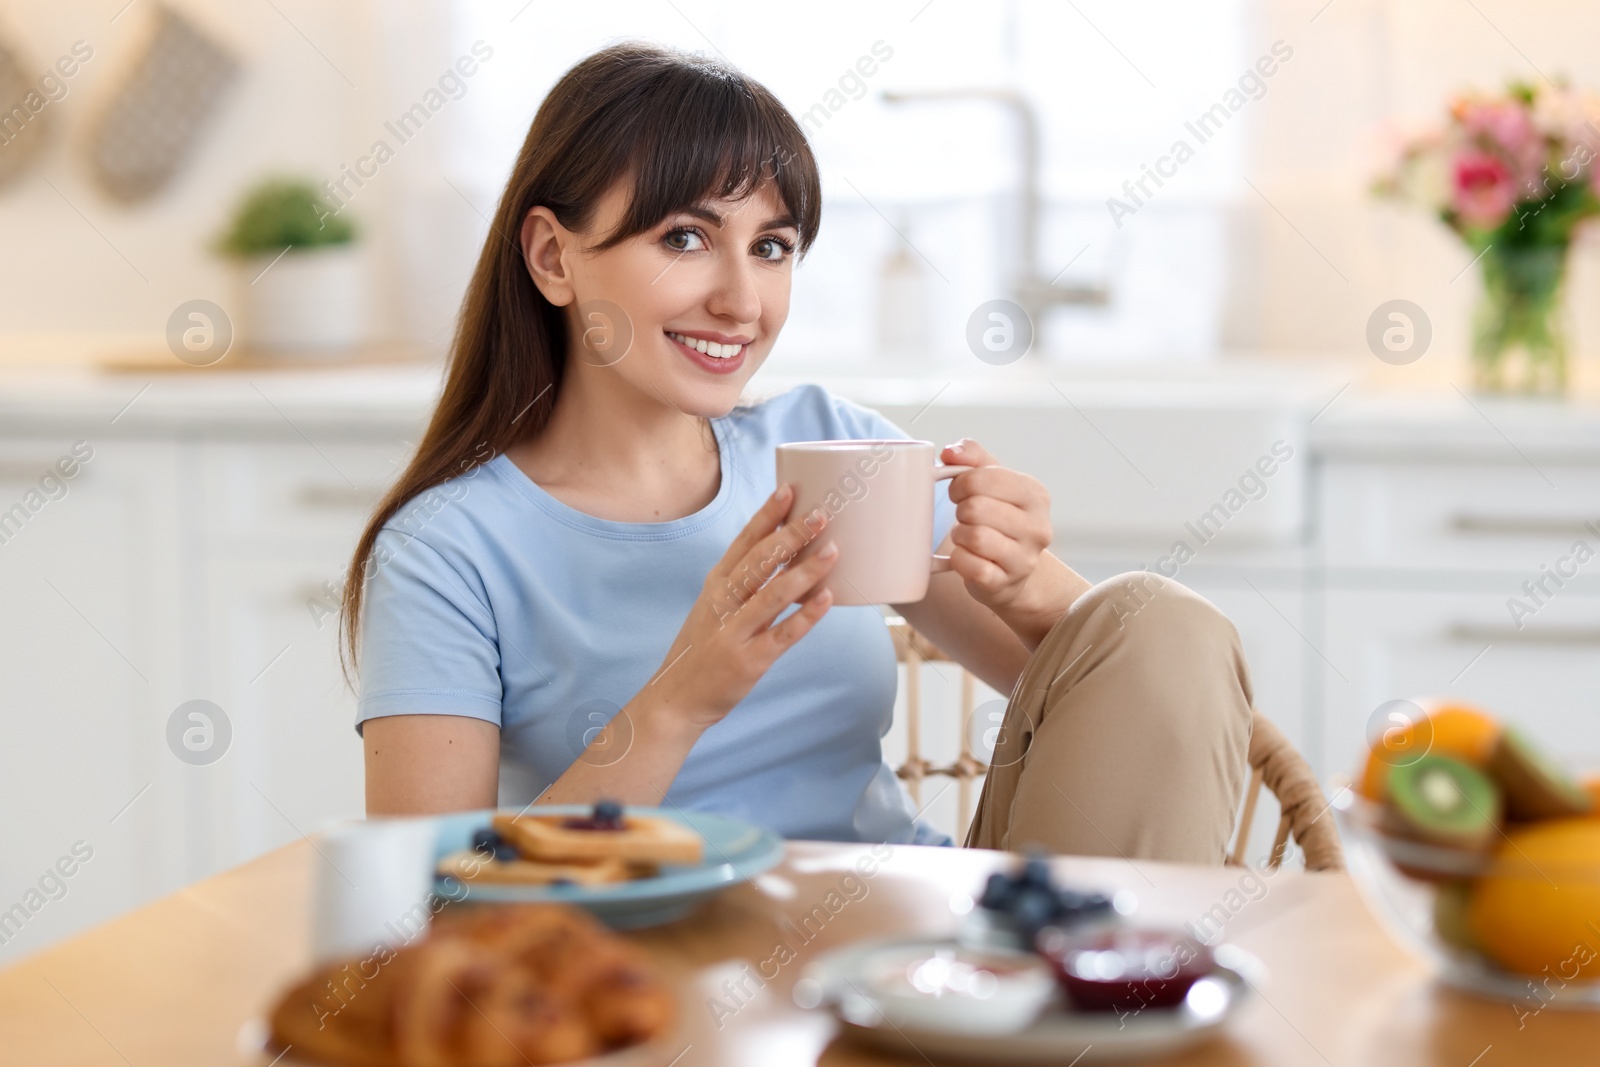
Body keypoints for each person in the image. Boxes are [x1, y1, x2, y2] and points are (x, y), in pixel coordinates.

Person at [342, 42, 1253, 862]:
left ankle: (1089, 1009)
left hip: (912, 952)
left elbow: (1123, 706)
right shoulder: (449, 550)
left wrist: (1028, 588)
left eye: (772, 247)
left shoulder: (826, 450)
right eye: (686, 237)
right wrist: (682, 696)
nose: (743, 301)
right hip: (653, 990)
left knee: (1157, 618)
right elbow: (433, 904)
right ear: (552, 256)